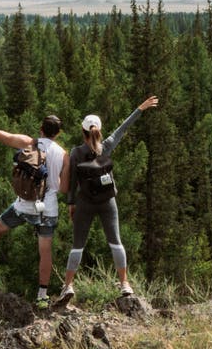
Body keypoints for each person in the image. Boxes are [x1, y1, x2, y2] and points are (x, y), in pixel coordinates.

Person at [0, 102, 68, 308]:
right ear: (58, 134)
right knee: (45, 252)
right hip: (48, 209)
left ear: (41, 129)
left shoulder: (28, 142)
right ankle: (42, 296)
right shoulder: (63, 154)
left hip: (24, 205)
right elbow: (64, 188)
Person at [54, 95, 159, 308]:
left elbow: (73, 181)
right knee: (115, 242)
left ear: (83, 132)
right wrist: (140, 108)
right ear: (98, 130)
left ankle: (68, 286)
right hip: (108, 200)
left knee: (78, 246)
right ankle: (125, 284)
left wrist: (71, 204)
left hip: (85, 203)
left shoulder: (76, 153)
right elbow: (122, 128)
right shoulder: (106, 146)